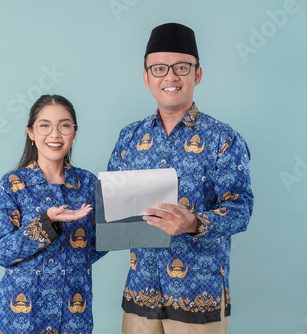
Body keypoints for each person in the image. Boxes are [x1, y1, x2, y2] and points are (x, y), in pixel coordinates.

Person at [107, 23, 254, 334]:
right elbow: (112, 211)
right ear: (146, 77)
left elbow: (241, 210)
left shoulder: (223, 139)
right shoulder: (129, 137)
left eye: (181, 67)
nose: (170, 77)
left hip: (198, 296)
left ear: (197, 74)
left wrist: (193, 223)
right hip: (140, 293)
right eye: (159, 68)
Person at [0, 94, 105, 334]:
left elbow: (94, 249)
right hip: (22, 316)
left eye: (64, 125)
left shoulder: (88, 184)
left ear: (74, 133)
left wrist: (130, 218)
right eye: (45, 126)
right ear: (31, 133)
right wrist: (46, 223)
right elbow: (2, 253)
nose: (55, 134)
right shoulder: (12, 184)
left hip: (73, 314)